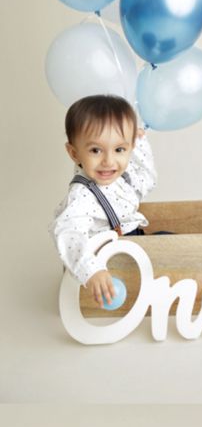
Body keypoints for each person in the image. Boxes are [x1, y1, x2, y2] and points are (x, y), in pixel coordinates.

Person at [49, 94, 158, 309]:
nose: (108, 161)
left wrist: (141, 144)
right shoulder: (82, 195)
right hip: (111, 258)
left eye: (119, 149)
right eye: (95, 150)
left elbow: (147, 181)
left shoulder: (120, 178)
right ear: (74, 153)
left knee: (170, 242)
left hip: (136, 242)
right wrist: (93, 270)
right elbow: (68, 233)